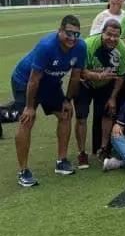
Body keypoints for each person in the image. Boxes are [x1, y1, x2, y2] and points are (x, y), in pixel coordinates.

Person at [12, 15, 87, 186]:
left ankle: (62, 161)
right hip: (25, 81)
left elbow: (75, 77)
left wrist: (67, 100)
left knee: (66, 113)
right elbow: (34, 80)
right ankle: (23, 171)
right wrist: (29, 107)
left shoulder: (80, 47)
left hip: (50, 84)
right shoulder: (46, 46)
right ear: (60, 31)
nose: (72, 38)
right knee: (27, 120)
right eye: (69, 33)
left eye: (76, 34)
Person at [74, 19, 125, 167]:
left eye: (116, 36)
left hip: (105, 84)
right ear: (102, 33)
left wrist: (113, 98)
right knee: (81, 117)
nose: (112, 39)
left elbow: (121, 76)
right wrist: (98, 76)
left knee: (108, 113)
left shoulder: (122, 48)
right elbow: (81, 72)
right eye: (109, 34)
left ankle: (103, 148)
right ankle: (82, 153)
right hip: (84, 84)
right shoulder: (89, 45)